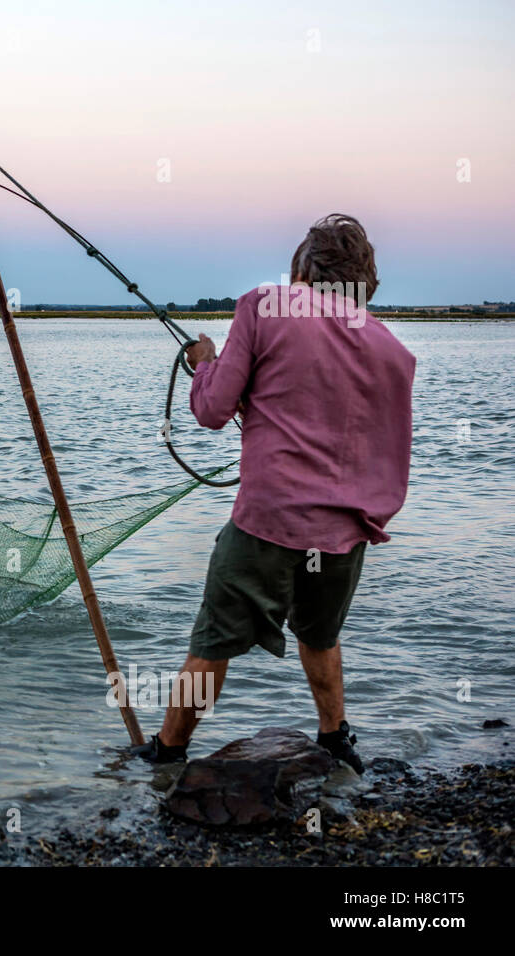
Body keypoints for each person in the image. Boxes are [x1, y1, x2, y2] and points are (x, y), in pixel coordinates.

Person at [135, 214, 416, 773]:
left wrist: (204, 364)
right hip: (344, 532)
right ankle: (336, 743)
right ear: (363, 277)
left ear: (303, 268)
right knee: (321, 634)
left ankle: (167, 753)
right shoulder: (391, 349)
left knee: (214, 641)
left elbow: (212, 410)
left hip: (268, 520)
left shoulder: (263, 306)